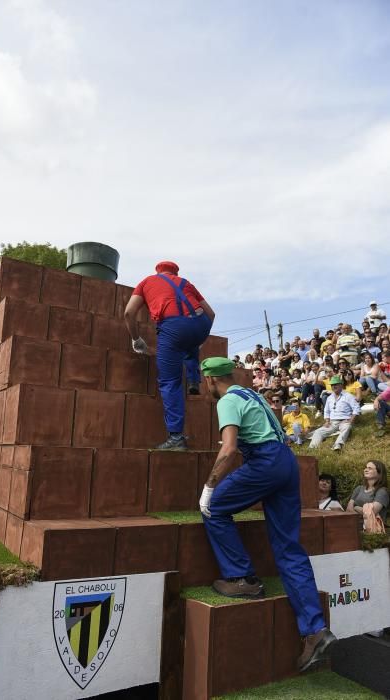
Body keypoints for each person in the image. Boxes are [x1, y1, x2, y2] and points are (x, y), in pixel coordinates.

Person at [198, 357, 336, 672]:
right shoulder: (253, 394)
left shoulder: (228, 400)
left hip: (265, 462)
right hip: (287, 462)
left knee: (213, 508)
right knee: (289, 547)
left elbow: (229, 448)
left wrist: (209, 487)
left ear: (210, 380)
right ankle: (316, 630)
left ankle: (243, 578)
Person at [124, 260, 215, 449]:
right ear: (175, 272)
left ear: (158, 271)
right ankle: (192, 379)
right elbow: (211, 314)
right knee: (190, 344)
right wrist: (199, 336)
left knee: (170, 382)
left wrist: (136, 339)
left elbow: (128, 313)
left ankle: (176, 437)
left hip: (173, 327)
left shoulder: (147, 282)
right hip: (201, 324)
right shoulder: (186, 283)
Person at [309, 375, 361, 451]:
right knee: (318, 431)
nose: (334, 386)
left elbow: (356, 408)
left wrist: (351, 420)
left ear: (341, 385)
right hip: (332, 422)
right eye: (332, 385)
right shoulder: (329, 398)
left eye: (336, 384)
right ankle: (312, 448)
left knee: (347, 427)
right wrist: (327, 421)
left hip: (344, 420)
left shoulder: (348, 396)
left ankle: (337, 445)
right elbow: (326, 411)